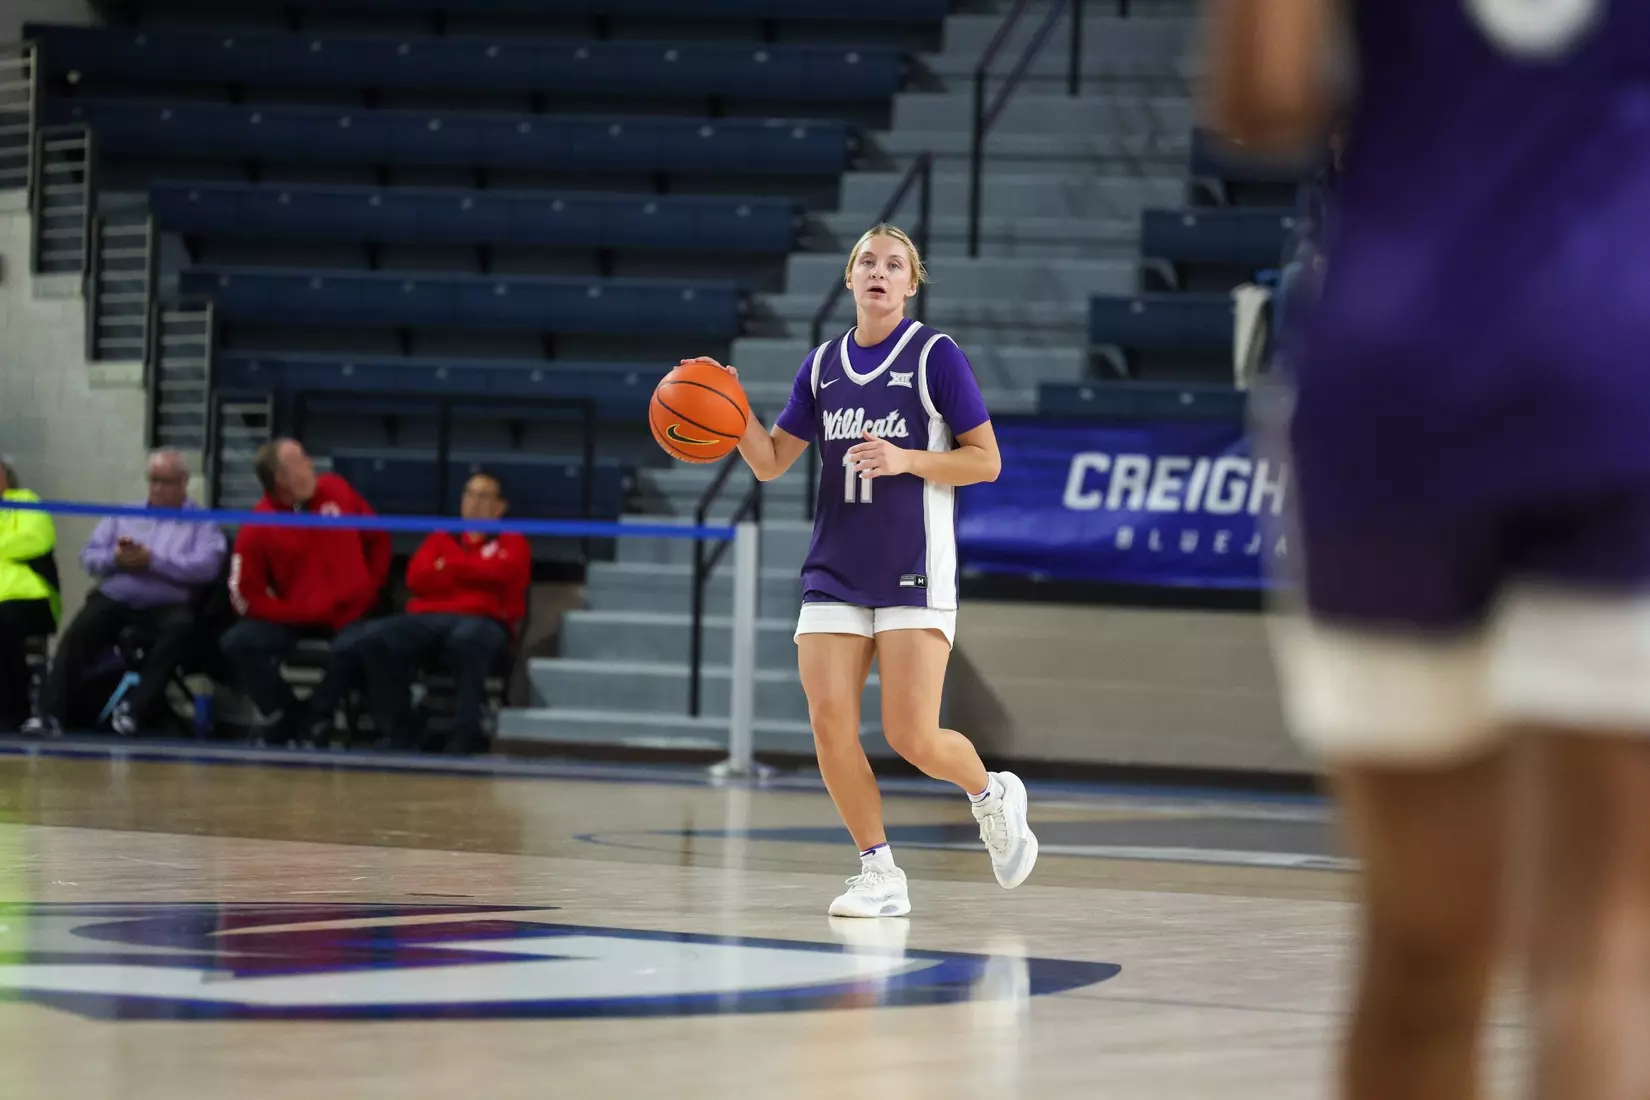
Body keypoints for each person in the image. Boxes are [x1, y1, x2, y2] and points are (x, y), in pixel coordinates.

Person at [1207, 1, 1650, 1099]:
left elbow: (1262, 100)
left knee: (1420, 952)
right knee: (1606, 948)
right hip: (1621, 363)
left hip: (1396, 381)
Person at [677, 223, 1037, 918]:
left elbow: (986, 461)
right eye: (867, 261)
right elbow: (770, 461)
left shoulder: (935, 356)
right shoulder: (821, 366)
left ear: (911, 283)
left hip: (913, 567)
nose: (879, 271)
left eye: (894, 264)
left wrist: (906, 460)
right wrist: (729, 407)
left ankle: (991, 795)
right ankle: (880, 871)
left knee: (911, 736)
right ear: (849, 278)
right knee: (830, 724)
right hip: (835, 569)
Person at [28, 450, 226, 736]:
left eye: (165, 481)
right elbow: (88, 557)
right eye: (153, 480)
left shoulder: (202, 523)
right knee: (80, 631)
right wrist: (115, 559)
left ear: (183, 482)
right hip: (117, 597)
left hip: (167, 603)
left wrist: (154, 561)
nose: (157, 488)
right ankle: (50, 714)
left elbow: (207, 567)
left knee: (181, 630)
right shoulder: (125, 514)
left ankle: (135, 711)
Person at [337, 471, 529, 753]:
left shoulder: (512, 541)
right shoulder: (441, 537)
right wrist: (472, 573)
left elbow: (503, 574)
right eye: (469, 494)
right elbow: (416, 578)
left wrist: (449, 567)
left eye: (483, 496)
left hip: (484, 621)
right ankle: (401, 730)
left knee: (468, 639)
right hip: (430, 618)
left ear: (500, 506)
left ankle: (466, 733)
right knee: (375, 637)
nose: (474, 502)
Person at [221, 438, 391, 746]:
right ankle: (288, 714)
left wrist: (370, 586)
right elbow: (244, 596)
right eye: (301, 460)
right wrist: (294, 613)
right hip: (299, 615)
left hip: (353, 610)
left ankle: (317, 714)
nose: (311, 463)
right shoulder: (257, 525)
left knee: (359, 644)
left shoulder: (337, 490)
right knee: (237, 642)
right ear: (282, 478)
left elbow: (378, 539)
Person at [0, 456, 59, 732]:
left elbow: (36, 540)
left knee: (4, 623)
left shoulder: (25, 500)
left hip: (29, 597)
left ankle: (14, 712)